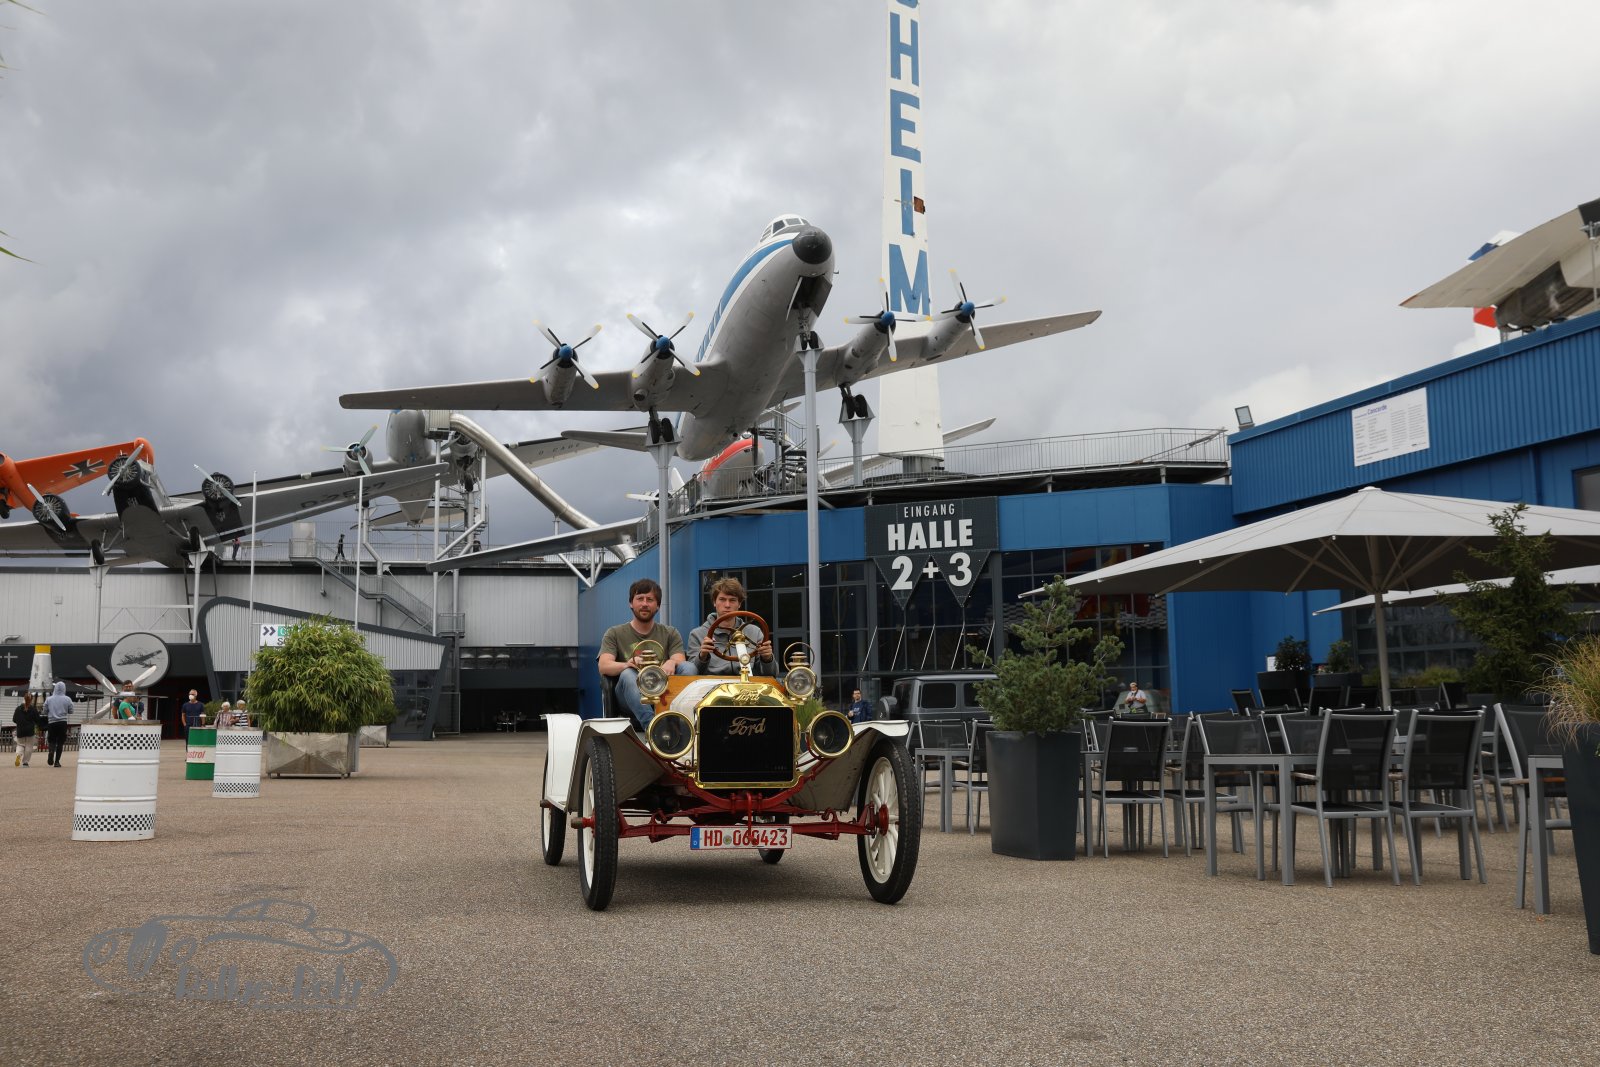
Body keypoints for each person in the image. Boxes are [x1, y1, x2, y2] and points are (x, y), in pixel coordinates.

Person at [598, 578, 689, 728]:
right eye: (640, 599)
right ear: (631, 603)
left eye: (650, 599)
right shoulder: (614, 633)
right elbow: (604, 666)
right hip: (629, 697)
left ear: (658, 605)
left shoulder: (670, 633)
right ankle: (654, 728)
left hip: (664, 694)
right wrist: (627, 664)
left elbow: (681, 660)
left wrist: (671, 662)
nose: (645, 604)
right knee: (628, 674)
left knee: (689, 667)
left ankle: (684, 723)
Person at [686, 577, 776, 676]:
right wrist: (702, 656)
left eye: (732, 600)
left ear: (739, 604)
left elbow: (771, 674)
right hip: (712, 683)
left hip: (747, 683)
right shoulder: (697, 634)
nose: (727, 605)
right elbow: (692, 674)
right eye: (722, 599)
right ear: (714, 602)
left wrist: (767, 658)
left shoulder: (755, 632)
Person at [44, 680, 73, 767]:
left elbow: (45, 711)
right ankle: (57, 762)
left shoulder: (49, 699)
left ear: (55, 688)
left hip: (52, 722)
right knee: (60, 742)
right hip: (62, 722)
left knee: (52, 740)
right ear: (64, 688)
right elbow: (71, 711)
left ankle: (51, 751)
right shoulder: (67, 699)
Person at [12, 693, 39, 767]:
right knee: (29, 746)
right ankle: (25, 762)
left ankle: (18, 755)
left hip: (20, 730)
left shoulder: (18, 709)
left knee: (20, 744)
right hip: (30, 731)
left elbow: (14, 719)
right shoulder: (33, 709)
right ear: (31, 700)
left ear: (24, 698)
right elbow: (37, 720)